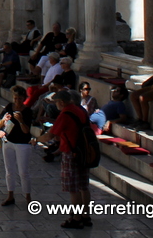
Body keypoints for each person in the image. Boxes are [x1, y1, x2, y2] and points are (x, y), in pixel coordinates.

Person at [35, 91, 92, 229]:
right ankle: (86, 216)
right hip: (84, 151)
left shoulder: (65, 113)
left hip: (70, 153)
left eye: (56, 102)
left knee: (73, 188)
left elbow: (50, 136)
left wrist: (36, 139)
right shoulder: (80, 110)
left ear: (61, 102)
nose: (55, 105)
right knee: (84, 186)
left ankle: (76, 219)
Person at [0, 86, 33, 207]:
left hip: (22, 144)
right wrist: (4, 120)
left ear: (24, 98)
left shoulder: (28, 111)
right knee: (9, 171)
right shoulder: (9, 107)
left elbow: (26, 131)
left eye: (19, 98)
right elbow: (1, 121)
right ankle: (10, 195)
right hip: (9, 142)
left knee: (23, 172)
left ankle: (28, 197)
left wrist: (21, 120)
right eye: (15, 98)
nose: (17, 101)